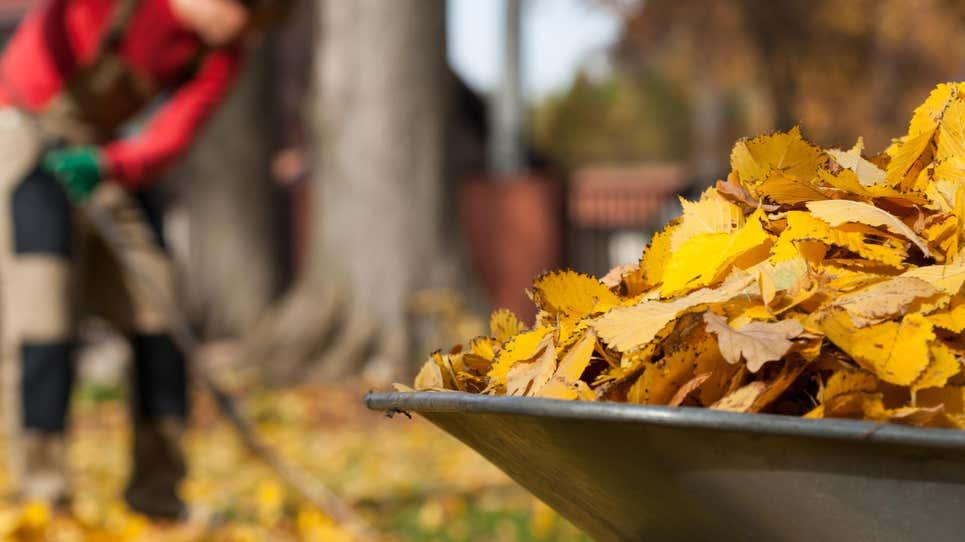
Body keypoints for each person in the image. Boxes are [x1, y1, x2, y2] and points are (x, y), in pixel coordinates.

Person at [0, 0, 285, 519]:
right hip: (23, 131)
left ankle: (159, 495)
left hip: (100, 156)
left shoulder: (221, 51)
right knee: (42, 322)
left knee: (164, 319)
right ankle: (43, 498)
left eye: (256, 18)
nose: (240, 24)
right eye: (237, 7)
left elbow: (171, 135)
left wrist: (108, 162)